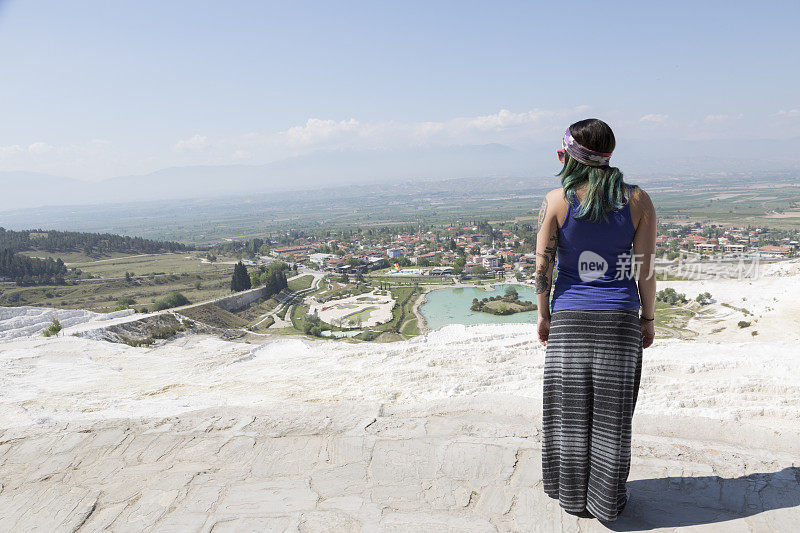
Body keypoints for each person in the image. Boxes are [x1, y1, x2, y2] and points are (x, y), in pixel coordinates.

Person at [534, 118, 657, 522]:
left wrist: (543, 315)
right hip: (620, 319)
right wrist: (649, 318)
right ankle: (606, 501)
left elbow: (543, 266)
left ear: (565, 155)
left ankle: (570, 496)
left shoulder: (556, 200)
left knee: (568, 411)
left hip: (570, 318)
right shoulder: (638, 200)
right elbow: (645, 269)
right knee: (612, 416)